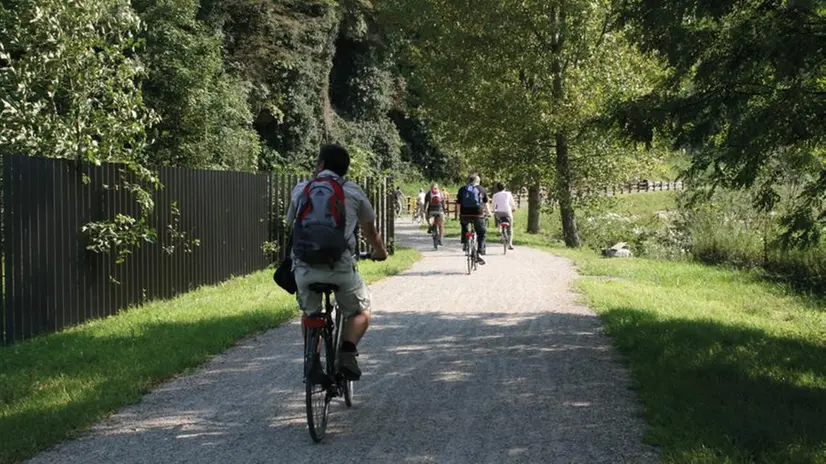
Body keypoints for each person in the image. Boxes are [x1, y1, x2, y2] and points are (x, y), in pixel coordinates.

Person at [286, 144, 389, 382]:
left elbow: (291, 223)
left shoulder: (302, 189)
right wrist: (380, 252)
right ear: (344, 169)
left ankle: (312, 360)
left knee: (310, 314)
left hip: (305, 268)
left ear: (321, 165)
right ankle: (347, 354)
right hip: (340, 267)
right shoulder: (352, 191)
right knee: (361, 310)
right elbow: (370, 231)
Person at [457, 174, 492, 264]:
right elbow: (486, 203)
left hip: (464, 214)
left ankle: (465, 243)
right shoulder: (481, 189)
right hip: (477, 214)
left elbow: (459, 204)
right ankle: (481, 249)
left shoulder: (462, 189)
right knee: (482, 232)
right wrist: (489, 213)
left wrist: (459, 214)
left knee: (464, 227)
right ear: (477, 181)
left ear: (468, 181)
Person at [492, 182, 517, 250]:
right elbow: (512, 204)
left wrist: (494, 210)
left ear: (497, 188)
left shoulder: (495, 195)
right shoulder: (508, 194)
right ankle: (510, 244)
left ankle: (499, 229)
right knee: (510, 227)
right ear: (505, 188)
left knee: (498, 218)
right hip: (507, 212)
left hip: (498, 213)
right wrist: (513, 209)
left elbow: (493, 206)